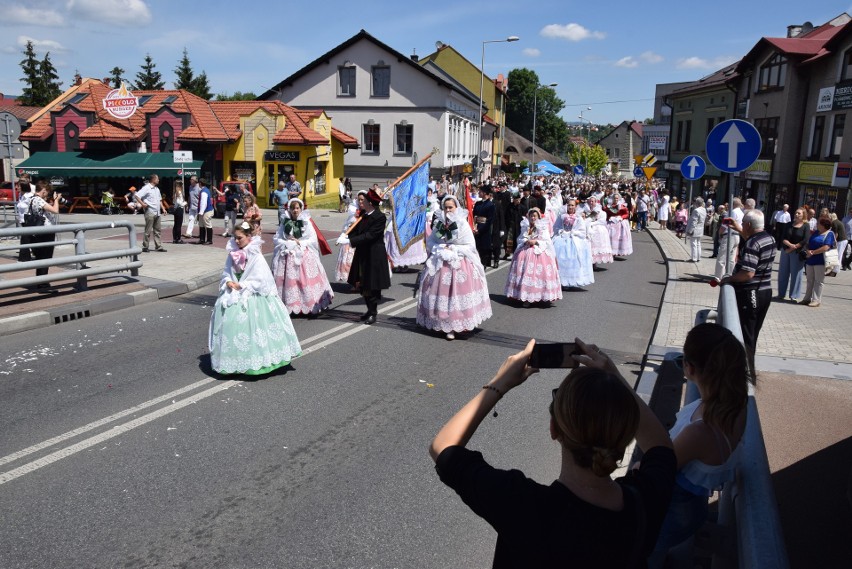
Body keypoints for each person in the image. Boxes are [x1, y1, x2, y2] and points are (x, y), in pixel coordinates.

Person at [430, 338, 675, 568]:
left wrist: (501, 382)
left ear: (554, 428)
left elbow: (442, 447)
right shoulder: (644, 503)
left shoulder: (523, 507)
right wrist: (614, 379)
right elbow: (661, 446)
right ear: (627, 433)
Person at [649, 323, 748, 567]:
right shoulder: (736, 404)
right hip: (693, 508)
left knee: (648, 556)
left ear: (689, 368)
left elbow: (659, 468)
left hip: (674, 512)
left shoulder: (701, 431)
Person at [208, 221, 301, 375]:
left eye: (240, 238)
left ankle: (258, 360)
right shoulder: (233, 253)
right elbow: (226, 272)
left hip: (252, 296)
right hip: (234, 293)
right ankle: (234, 360)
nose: (237, 241)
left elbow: (261, 279)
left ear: (249, 237)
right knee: (230, 325)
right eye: (235, 238)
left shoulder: (256, 256)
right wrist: (228, 281)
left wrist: (243, 285)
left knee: (253, 328)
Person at [416, 195, 492, 341]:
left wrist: (454, 249)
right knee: (440, 295)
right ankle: (440, 322)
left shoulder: (462, 224)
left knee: (456, 296)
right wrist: (440, 247)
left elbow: (470, 245)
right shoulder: (439, 224)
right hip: (440, 262)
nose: (448, 210)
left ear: (456, 207)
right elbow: (431, 242)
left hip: (458, 263)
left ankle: (454, 325)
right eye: (446, 207)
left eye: (451, 207)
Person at [719, 210, 775, 375]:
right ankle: (746, 372)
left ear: (749, 225)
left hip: (751, 293)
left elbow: (748, 273)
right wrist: (738, 228)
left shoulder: (752, 244)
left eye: (743, 223)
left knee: (745, 336)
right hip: (765, 291)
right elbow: (752, 241)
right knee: (753, 334)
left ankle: (745, 376)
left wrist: (730, 279)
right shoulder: (769, 238)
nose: (742, 226)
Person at [272, 198, 334, 316]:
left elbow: (312, 239)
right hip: (287, 253)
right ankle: (290, 304)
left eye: (297, 208)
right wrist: (287, 243)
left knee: (304, 280)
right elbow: (277, 237)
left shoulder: (306, 222)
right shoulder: (285, 222)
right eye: (293, 208)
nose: (295, 210)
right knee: (289, 282)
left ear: (301, 209)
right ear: (289, 209)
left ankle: (309, 304)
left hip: (303, 254)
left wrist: (299, 243)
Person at [347, 188, 391, 325]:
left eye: (363, 200)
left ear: (370, 202)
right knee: (362, 283)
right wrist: (347, 234)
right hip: (362, 253)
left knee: (372, 285)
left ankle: (373, 312)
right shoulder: (363, 216)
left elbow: (371, 235)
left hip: (374, 255)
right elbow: (356, 232)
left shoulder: (379, 217)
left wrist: (351, 241)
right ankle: (369, 310)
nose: (360, 203)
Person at [505, 208, 562, 307]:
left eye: (535, 216)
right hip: (526, 251)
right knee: (524, 273)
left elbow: (547, 241)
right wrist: (525, 240)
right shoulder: (525, 226)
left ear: (538, 217)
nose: (533, 218)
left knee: (538, 275)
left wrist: (536, 242)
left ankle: (540, 295)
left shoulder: (543, 227)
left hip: (539, 252)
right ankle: (527, 297)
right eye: (531, 216)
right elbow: (520, 238)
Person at [21, 181, 62, 288]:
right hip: (45, 232)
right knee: (45, 257)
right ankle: (43, 283)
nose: (47, 194)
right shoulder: (38, 200)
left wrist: (52, 202)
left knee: (40, 258)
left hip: (38, 232)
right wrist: (57, 200)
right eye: (47, 192)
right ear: (43, 190)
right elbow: (55, 211)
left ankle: (41, 281)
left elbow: (45, 209)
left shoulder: (32, 199)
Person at [552, 199, 594, 288]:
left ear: (575, 207)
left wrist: (574, 232)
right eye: (569, 205)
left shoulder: (578, 218)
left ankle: (570, 280)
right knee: (560, 258)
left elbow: (582, 232)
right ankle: (561, 280)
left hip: (574, 239)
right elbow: (556, 227)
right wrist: (561, 231)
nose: (570, 207)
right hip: (562, 238)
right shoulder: (562, 216)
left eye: (572, 205)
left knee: (572, 259)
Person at [800, 216, 837, 308]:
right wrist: (808, 250)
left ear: (824, 225)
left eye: (818, 223)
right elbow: (809, 242)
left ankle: (816, 300)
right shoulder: (816, 232)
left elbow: (826, 247)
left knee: (818, 281)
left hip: (821, 260)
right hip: (810, 259)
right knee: (809, 280)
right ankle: (807, 298)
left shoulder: (829, 234)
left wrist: (813, 252)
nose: (816, 224)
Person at [776, 208, 810, 302]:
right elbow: (783, 237)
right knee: (783, 273)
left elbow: (805, 239)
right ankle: (781, 294)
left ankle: (793, 295)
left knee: (796, 274)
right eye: (795, 213)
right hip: (786, 250)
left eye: (799, 213)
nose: (796, 214)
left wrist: (794, 247)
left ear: (803, 215)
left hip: (797, 252)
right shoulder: (788, 224)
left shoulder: (806, 226)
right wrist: (790, 246)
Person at [714, 198, 744, 281]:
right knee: (731, 258)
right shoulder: (741, 213)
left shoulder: (732, 212)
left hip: (729, 236)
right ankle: (730, 276)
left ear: (733, 204)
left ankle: (718, 277)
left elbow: (724, 225)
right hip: (737, 235)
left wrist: (720, 234)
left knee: (722, 257)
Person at [135, 174, 166, 253]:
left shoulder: (157, 189)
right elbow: (137, 195)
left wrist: (163, 208)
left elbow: (159, 200)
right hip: (150, 211)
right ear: (153, 179)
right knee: (148, 230)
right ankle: (145, 246)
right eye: (157, 179)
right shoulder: (146, 188)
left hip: (158, 211)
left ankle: (158, 246)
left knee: (158, 230)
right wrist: (143, 204)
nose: (158, 180)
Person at [335, 199, 359, 285]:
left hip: (357, 242)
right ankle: (354, 282)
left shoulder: (364, 216)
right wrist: (343, 235)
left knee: (355, 263)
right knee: (348, 263)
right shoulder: (352, 216)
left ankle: (358, 282)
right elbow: (345, 228)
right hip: (349, 242)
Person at [472, 185, 496, 268]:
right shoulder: (478, 203)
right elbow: (474, 215)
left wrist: (480, 230)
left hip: (484, 229)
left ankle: (484, 263)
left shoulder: (490, 205)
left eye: (480, 192)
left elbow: (489, 220)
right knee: (476, 246)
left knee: (484, 247)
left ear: (485, 193)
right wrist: (474, 227)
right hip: (476, 226)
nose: (479, 193)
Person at [685, 197, 707, 263]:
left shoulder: (696, 210)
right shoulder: (704, 209)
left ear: (696, 203)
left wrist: (690, 230)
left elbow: (694, 222)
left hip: (695, 229)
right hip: (700, 228)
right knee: (698, 244)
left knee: (693, 244)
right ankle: (698, 257)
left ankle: (693, 258)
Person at [196, 179, 215, 245]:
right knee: (201, 225)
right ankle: (202, 239)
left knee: (207, 224)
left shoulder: (204, 192)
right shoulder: (205, 190)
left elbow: (203, 203)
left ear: (200, 183)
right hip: (205, 211)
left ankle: (209, 240)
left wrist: (201, 212)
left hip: (206, 211)